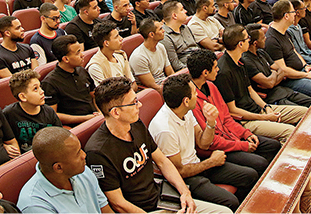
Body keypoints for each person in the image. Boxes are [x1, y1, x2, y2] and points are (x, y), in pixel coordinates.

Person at [85, 77, 231, 214]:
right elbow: (118, 203)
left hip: (161, 196)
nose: (139, 105)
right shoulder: (98, 151)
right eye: (134, 102)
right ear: (116, 112)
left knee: (225, 212)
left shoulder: (135, 124)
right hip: (142, 210)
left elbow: (162, 161)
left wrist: (184, 193)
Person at [149, 73, 256, 211]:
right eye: (195, 93)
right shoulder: (165, 129)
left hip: (198, 163)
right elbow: (179, 171)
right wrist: (211, 162)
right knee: (231, 202)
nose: (197, 95)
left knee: (250, 176)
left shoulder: (185, 110)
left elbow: (203, 143)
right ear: (186, 101)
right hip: (186, 178)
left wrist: (211, 122)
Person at [186, 49, 281, 176]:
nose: (218, 70)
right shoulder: (192, 100)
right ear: (205, 72)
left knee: (273, 145)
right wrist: (241, 145)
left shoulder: (211, 86)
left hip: (231, 136)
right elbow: (210, 141)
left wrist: (245, 134)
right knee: (260, 164)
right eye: (215, 67)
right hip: (218, 148)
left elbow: (227, 118)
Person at [215, 25, 305, 142]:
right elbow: (233, 110)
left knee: (305, 113)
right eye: (247, 38)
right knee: (290, 132)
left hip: (258, 109)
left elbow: (251, 91)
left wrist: (266, 107)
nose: (250, 41)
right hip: (245, 120)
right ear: (240, 44)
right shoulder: (223, 72)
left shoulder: (240, 61)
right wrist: (264, 117)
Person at [18, 127, 112, 213]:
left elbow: (105, 209)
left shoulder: (84, 172)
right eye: (77, 153)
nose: (84, 155)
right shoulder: (34, 205)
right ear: (59, 168)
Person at [265, 0, 311, 99]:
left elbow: (294, 51)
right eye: (293, 12)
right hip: (292, 80)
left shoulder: (285, 32)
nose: (295, 14)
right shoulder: (271, 40)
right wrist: (305, 75)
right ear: (286, 16)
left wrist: (306, 66)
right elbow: (283, 70)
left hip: (302, 71)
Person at [241, 24, 311, 108]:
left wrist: (273, 75)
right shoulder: (247, 61)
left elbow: (281, 70)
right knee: (305, 112)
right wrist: (275, 73)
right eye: (263, 38)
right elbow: (270, 83)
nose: (266, 39)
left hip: (284, 91)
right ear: (255, 43)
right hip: (273, 99)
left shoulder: (262, 52)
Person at [43, 35, 102, 125]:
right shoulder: (50, 83)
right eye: (78, 53)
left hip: (94, 118)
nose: (82, 55)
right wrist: (85, 118)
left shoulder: (82, 70)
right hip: (76, 125)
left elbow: (94, 95)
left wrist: (100, 113)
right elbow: (53, 115)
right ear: (66, 59)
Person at [3, 69, 62, 153]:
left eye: (40, 87)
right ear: (23, 97)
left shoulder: (49, 111)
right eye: (35, 89)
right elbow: (2, 139)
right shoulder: (9, 113)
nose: (42, 91)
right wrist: (5, 146)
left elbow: (60, 136)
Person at [129, 19, 174, 94]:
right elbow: (153, 86)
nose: (164, 31)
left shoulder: (161, 47)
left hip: (166, 84)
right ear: (151, 35)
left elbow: (170, 73)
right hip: (153, 91)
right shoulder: (138, 57)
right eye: (160, 29)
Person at [87, 21, 135, 88]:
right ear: (106, 43)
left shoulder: (121, 55)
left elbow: (133, 84)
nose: (121, 39)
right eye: (116, 37)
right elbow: (108, 95)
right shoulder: (95, 67)